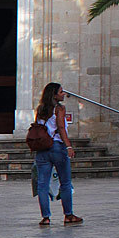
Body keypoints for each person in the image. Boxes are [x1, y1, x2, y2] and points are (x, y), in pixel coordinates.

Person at [33, 83, 83, 227]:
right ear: (54, 95)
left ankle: (46, 217)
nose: (63, 94)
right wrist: (68, 146)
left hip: (43, 148)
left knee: (42, 184)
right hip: (57, 147)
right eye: (61, 92)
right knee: (65, 182)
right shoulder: (59, 109)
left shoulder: (41, 109)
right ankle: (68, 214)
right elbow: (61, 128)